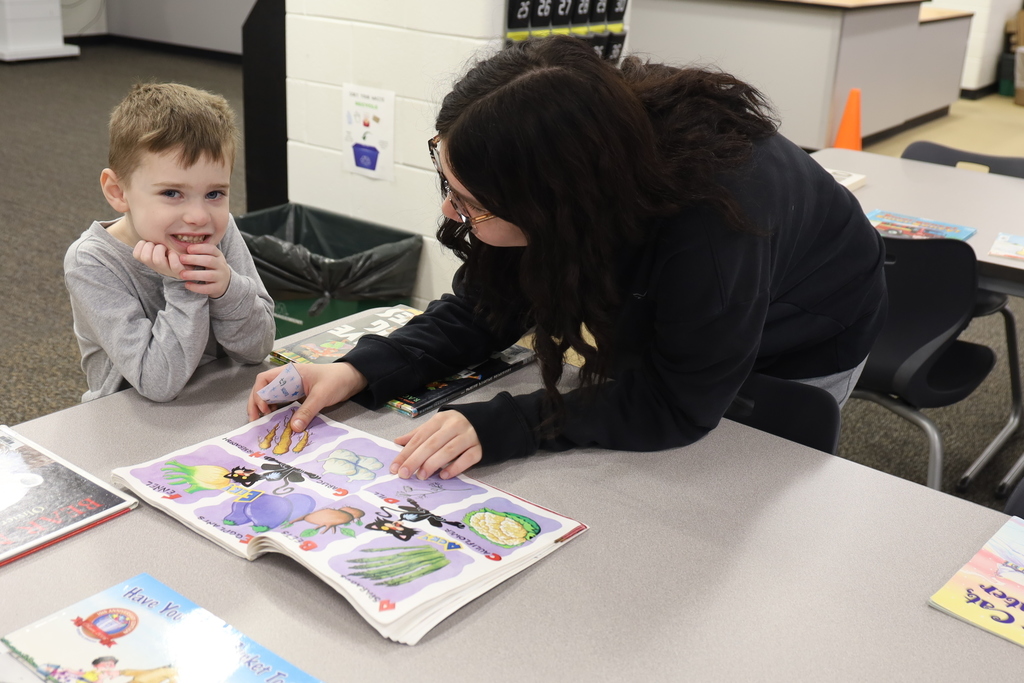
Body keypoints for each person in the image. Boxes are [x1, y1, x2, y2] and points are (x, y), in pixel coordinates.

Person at [248, 36, 886, 482]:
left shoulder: (710, 236)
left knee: (728, 492)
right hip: (703, 293)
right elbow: (485, 306)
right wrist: (358, 368)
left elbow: (677, 405)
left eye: (472, 204)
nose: (449, 211)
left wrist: (506, 425)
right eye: (449, 185)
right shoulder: (576, 155)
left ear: (554, 209)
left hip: (803, 323)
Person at [65, 83, 275, 403]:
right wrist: (185, 285)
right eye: (172, 193)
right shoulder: (92, 262)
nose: (198, 217)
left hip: (217, 400)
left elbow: (257, 350)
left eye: (214, 193)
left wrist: (228, 288)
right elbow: (158, 384)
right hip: (132, 416)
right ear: (118, 192)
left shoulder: (220, 232)